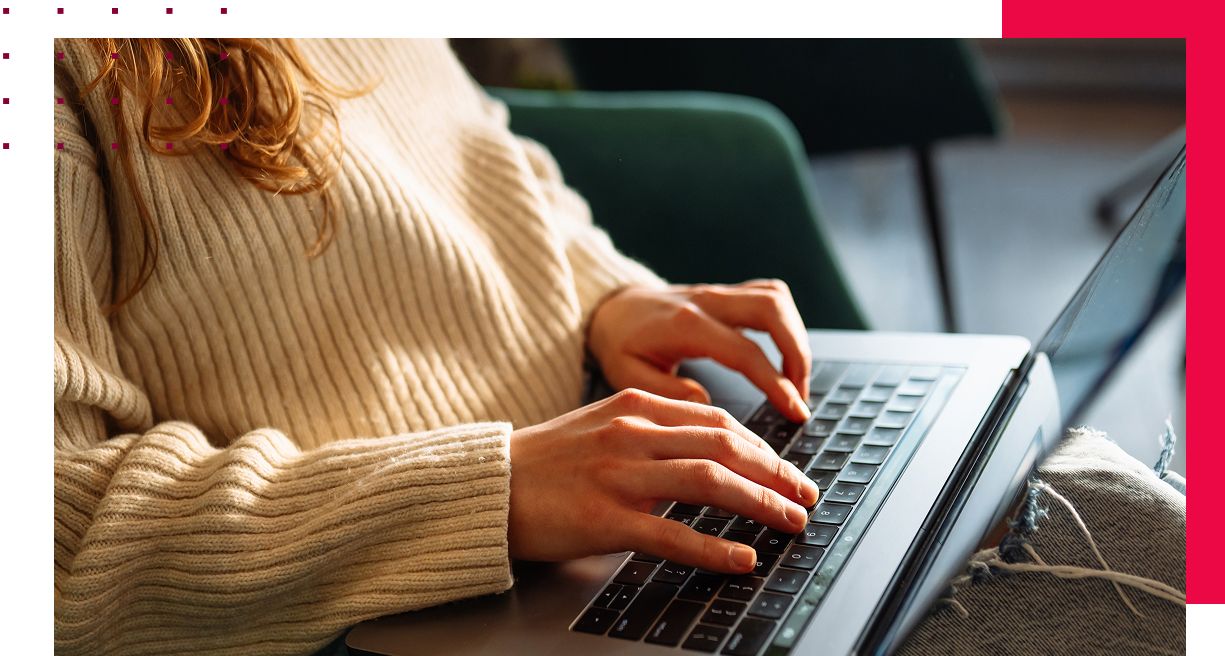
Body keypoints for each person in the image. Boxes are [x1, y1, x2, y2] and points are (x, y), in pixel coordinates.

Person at [53, 38, 822, 655]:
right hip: (375, 617)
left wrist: (601, 294)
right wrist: (489, 493)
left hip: (593, 506)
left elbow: (471, 144)